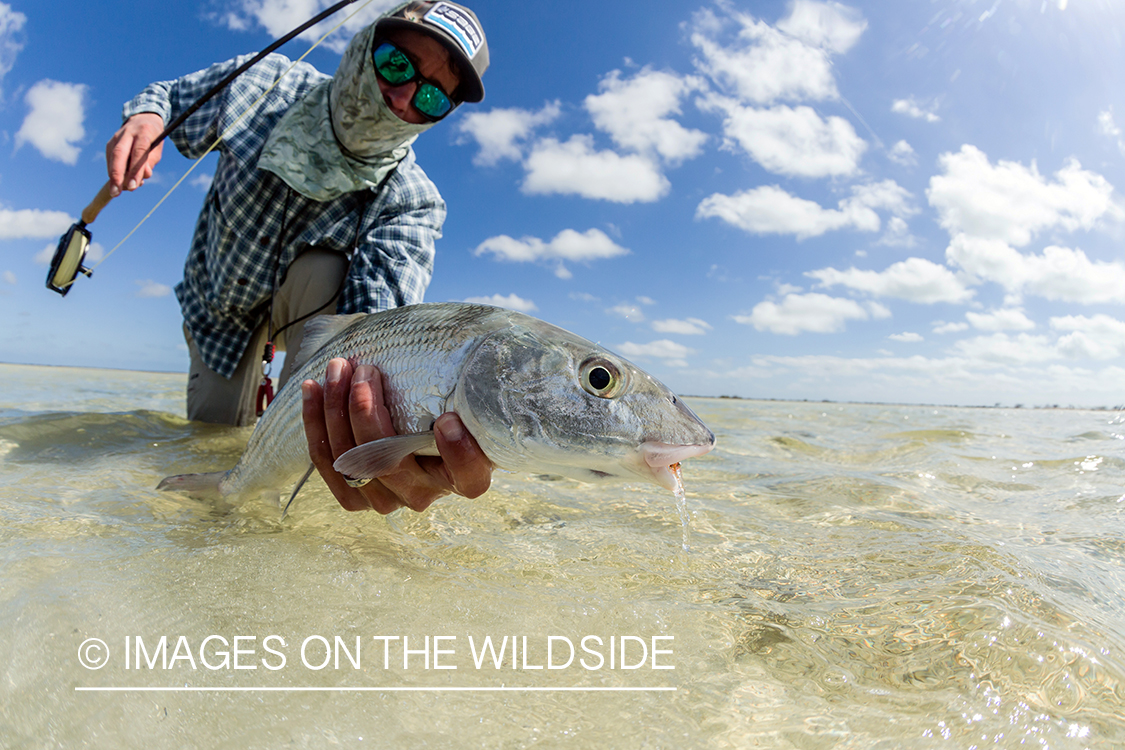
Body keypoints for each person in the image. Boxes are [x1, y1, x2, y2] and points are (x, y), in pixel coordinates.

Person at [105, 1, 493, 513]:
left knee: (330, 388)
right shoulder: (266, 84)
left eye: (431, 98)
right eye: (397, 66)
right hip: (216, 312)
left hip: (312, 327)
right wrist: (147, 118)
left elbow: (375, 333)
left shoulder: (412, 199)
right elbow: (171, 99)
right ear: (365, 45)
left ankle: (296, 429)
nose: (402, 99)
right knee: (209, 433)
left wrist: (371, 428)